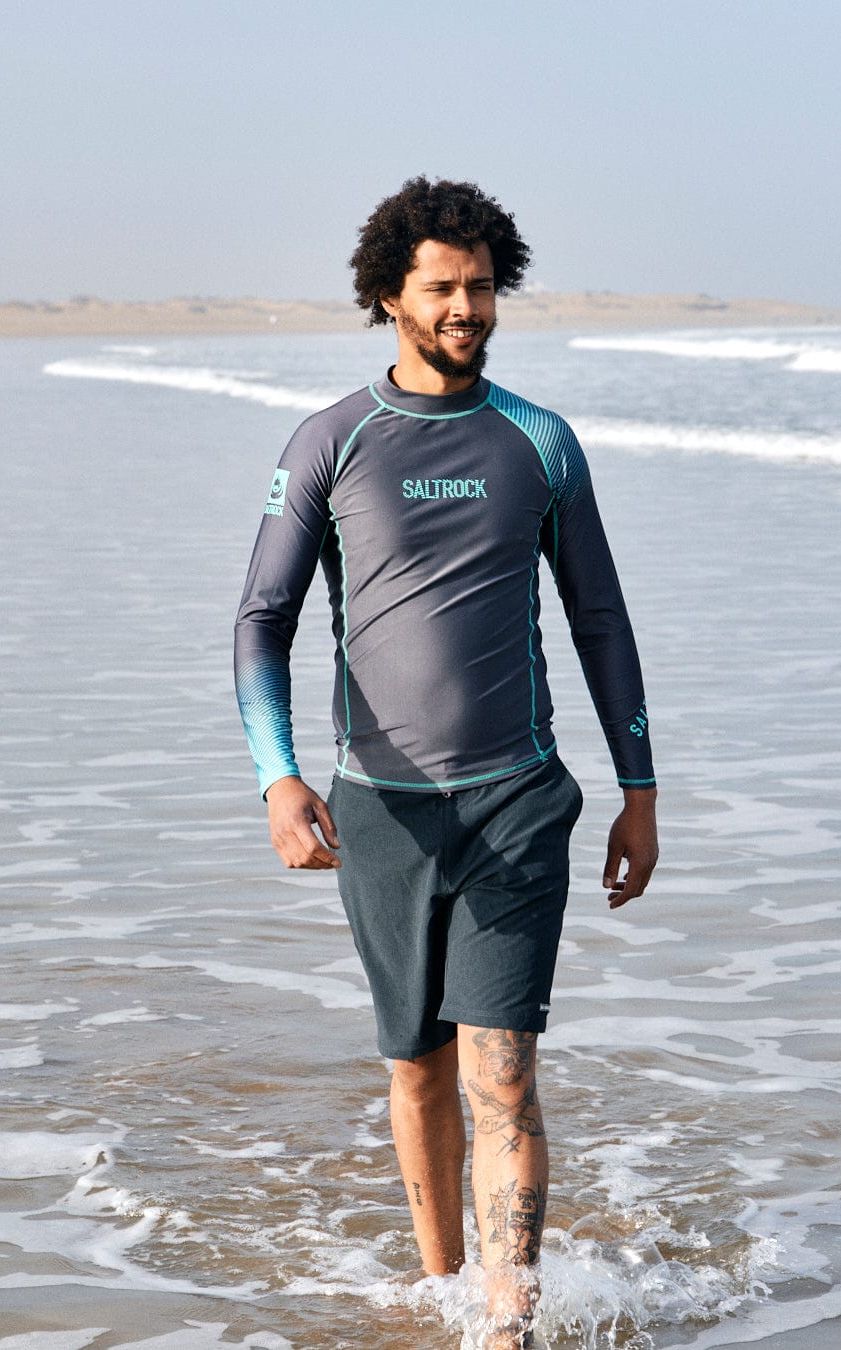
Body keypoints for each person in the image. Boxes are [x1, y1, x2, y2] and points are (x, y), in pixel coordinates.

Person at [234, 176, 657, 1347]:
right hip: (382, 811)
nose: (466, 307)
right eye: (442, 288)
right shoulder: (333, 441)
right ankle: (441, 1289)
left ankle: (504, 1324)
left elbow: (601, 621)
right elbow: (259, 619)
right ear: (390, 297)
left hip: (520, 800)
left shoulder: (539, 440)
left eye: (480, 286)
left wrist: (639, 789)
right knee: (417, 1070)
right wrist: (278, 774)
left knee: (503, 1070)